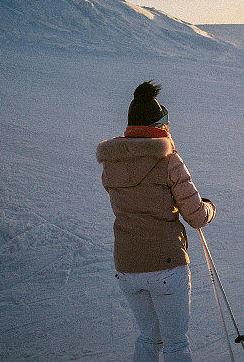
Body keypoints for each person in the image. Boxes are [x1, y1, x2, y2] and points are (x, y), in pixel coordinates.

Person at [97, 81, 215, 362]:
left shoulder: (111, 163)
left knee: (149, 338)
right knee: (176, 344)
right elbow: (196, 216)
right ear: (157, 125)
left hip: (127, 267)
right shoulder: (168, 159)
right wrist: (210, 207)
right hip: (166, 266)